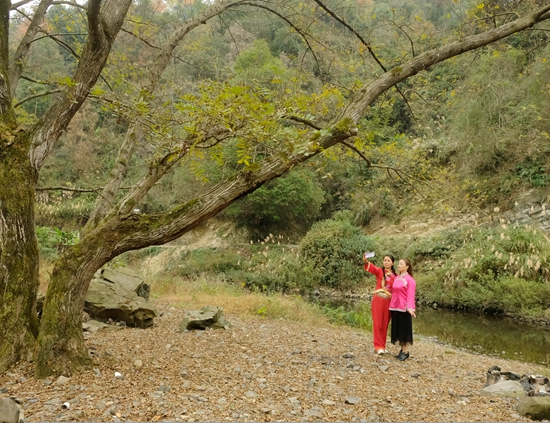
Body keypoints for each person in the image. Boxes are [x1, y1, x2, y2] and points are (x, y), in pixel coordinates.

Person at [363, 254, 397, 355]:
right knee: (377, 323)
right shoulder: (379, 271)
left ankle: (383, 345)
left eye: (388, 261)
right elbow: (371, 267)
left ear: (392, 263)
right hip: (378, 299)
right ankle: (378, 346)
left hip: (388, 301)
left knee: (385, 324)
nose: (386, 262)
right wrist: (365, 261)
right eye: (385, 260)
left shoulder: (395, 276)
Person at [389, 258, 416, 361]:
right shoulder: (396, 278)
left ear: (407, 267)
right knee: (398, 329)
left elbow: (410, 295)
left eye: (401, 264)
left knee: (405, 330)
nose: (398, 265)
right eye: (399, 264)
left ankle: (405, 351)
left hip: (404, 308)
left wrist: (410, 308)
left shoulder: (410, 280)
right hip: (395, 307)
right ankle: (401, 349)